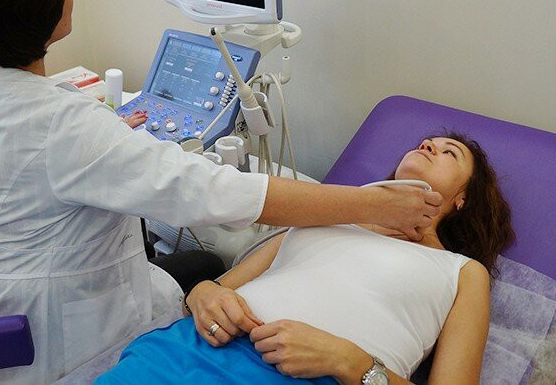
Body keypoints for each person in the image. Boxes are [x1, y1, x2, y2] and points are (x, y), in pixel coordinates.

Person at [0, 0, 443, 384]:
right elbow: (220, 193)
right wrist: (371, 204)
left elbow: (32, 156)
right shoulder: (66, 128)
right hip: (48, 339)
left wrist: (105, 142)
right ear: (39, 9)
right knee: (203, 268)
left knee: (198, 270)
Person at [96, 134, 515, 384]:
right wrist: (203, 294)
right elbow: (214, 290)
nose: (428, 145)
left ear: (462, 199)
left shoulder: (461, 271)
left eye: (449, 152)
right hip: (186, 351)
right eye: (427, 142)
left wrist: (350, 361)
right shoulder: (325, 219)